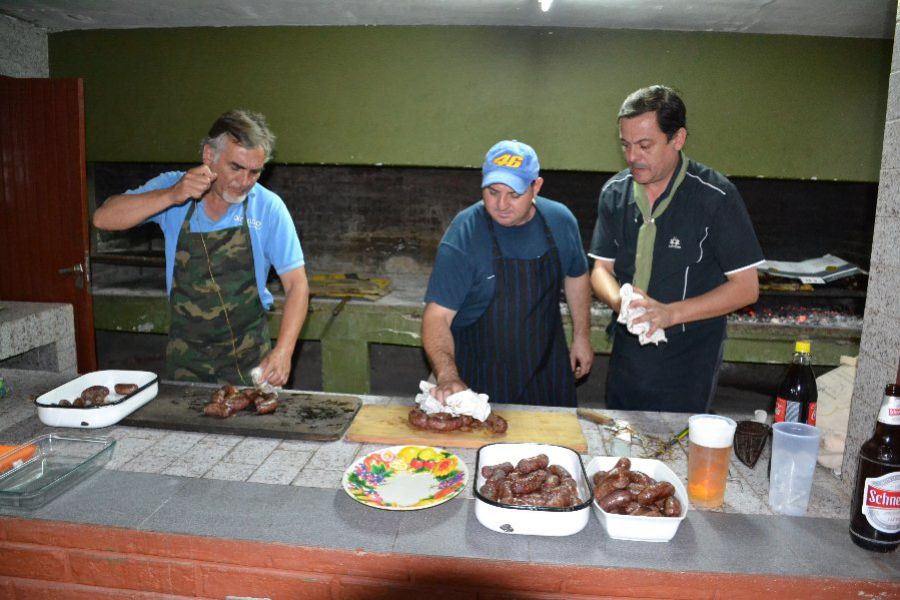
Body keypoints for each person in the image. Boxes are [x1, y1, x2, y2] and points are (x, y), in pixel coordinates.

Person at [93, 109, 309, 387]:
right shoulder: (173, 188)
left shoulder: (268, 207)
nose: (244, 182)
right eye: (236, 168)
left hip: (250, 362)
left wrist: (283, 352)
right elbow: (104, 218)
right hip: (186, 360)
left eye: (254, 172)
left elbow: (297, 285)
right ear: (209, 156)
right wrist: (171, 196)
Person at [589, 85, 764, 413]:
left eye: (645, 145)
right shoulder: (614, 193)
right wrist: (622, 302)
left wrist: (670, 313)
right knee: (620, 443)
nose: (632, 157)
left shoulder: (715, 197)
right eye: (625, 145)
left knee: (675, 450)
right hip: (628, 352)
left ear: (678, 139)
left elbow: (746, 288)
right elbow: (601, 270)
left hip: (688, 356)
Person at [422, 140, 593, 407]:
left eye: (514, 194)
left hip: (548, 370)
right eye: (492, 192)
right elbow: (437, 316)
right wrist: (447, 376)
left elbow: (576, 275)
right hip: (479, 379)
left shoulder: (560, 221)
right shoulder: (464, 235)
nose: (501, 204)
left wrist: (582, 336)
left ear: (536, 187)